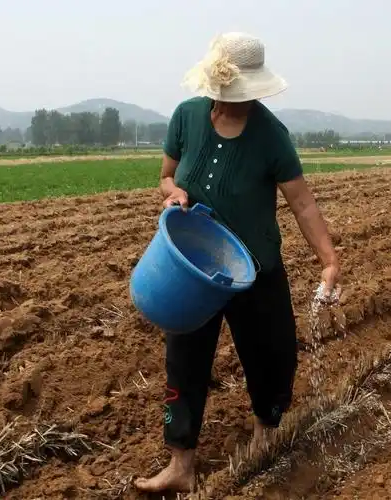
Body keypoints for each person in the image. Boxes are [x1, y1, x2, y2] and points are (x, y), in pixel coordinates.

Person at [134, 31, 341, 493]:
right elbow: (165, 177)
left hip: (256, 270)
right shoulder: (186, 117)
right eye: (223, 95)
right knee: (184, 361)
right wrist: (174, 194)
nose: (228, 103)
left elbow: (302, 203)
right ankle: (180, 464)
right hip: (193, 268)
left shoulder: (271, 135)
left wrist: (329, 260)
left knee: (272, 356)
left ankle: (264, 436)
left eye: (238, 95)